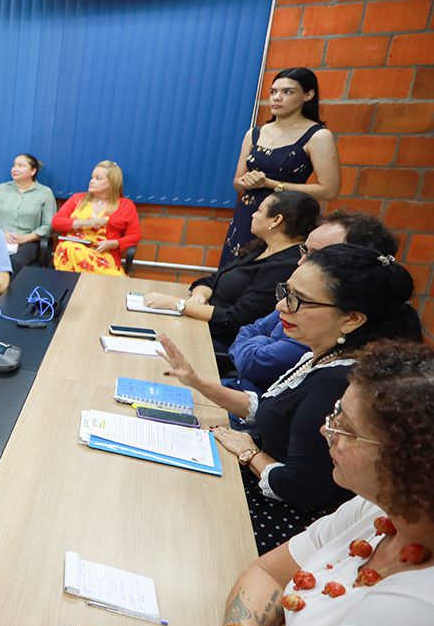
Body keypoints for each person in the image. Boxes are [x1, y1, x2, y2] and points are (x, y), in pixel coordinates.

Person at [216, 340, 434, 626]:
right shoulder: (376, 509)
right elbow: (266, 571)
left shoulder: (422, 607)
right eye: (336, 412)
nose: (325, 429)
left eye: (346, 428)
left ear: (410, 462)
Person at [158, 245, 420, 553]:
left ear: (351, 320)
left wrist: (249, 454)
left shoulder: (339, 383)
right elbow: (274, 410)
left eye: (298, 300)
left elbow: (299, 487)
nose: (282, 305)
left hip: (285, 523)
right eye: (285, 291)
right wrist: (198, 382)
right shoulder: (324, 354)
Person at [228, 212, 402, 396]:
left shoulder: (327, 320)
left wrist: (258, 342)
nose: (300, 261)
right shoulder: (303, 297)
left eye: (316, 256)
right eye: (304, 250)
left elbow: (255, 364)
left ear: (355, 264)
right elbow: (249, 329)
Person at [142, 191, 320, 349]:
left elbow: (235, 320)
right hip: (201, 323)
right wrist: (200, 296)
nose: (253, 215)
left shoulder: (285, 266)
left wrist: (178, 304)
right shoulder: (260, 249)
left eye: (259, 211)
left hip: (220, 341)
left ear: (276, 220)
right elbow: (211, 279)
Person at [220, 67, 340, 267]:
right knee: (232, 273)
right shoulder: (255, 133)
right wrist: (245, 181)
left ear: (308, 95)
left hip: (285, 221)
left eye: (287, 92)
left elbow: (329, 190)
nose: (276, 98)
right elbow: (237, 183)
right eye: (273, 92)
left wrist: (273, 184)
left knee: (268, 275)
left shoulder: (318, 135)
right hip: (249, 216)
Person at [50, 160, 141, 276]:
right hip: (71, 251)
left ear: (112, 183)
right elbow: (56, 222)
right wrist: (87, 223)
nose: (92, 181)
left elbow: (135, 236)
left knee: (113, 280)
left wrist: (114, 243)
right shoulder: (77, 199)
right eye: (92, 177)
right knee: (70, 248)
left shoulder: (125, 205)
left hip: (102, 253)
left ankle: (115, 280)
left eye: (98, 179)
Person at [0, 153, 57, 273]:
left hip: (29, 242)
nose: (15, 169)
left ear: (33, 171)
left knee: (13, 262)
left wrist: (24, 238)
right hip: (0, 239)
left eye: (21, 165)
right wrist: (3, 234)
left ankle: (2, 291)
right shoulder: (1, 189)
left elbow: (48, 226)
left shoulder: (45, 193)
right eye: (14, 165)